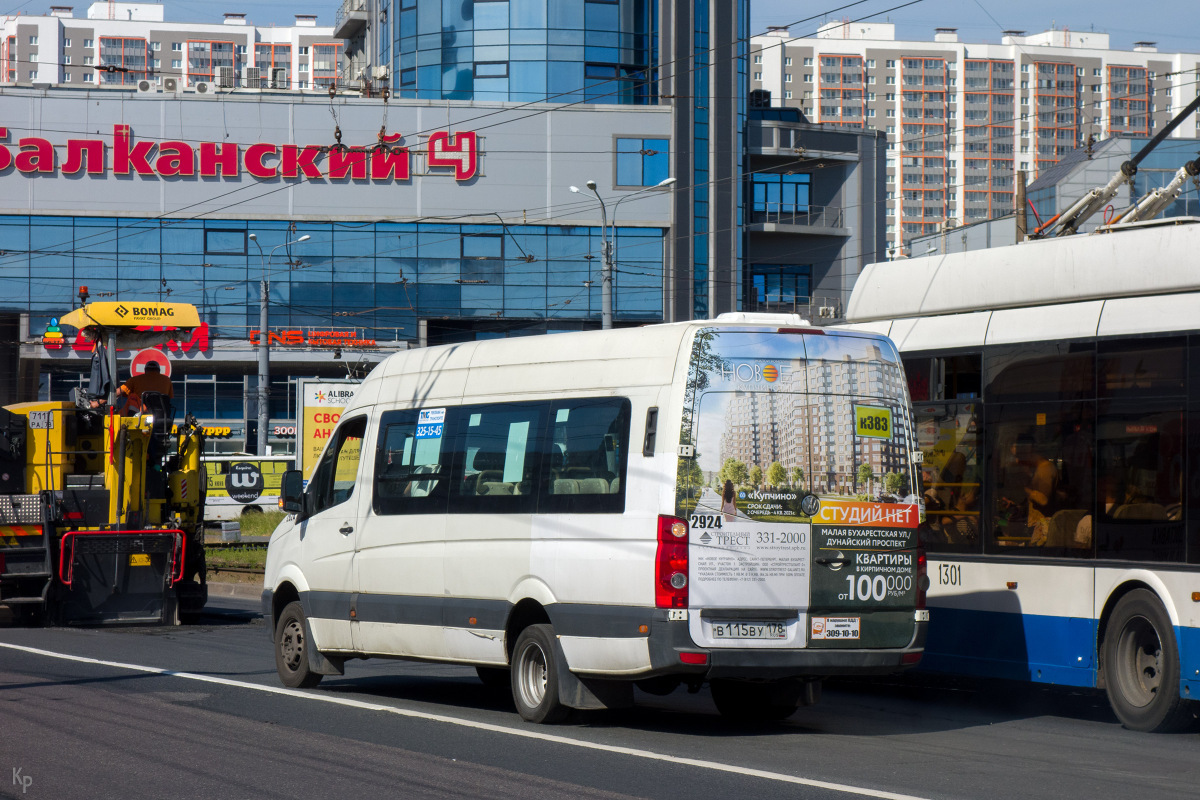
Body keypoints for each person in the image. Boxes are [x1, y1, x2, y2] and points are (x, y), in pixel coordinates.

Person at [92, 361, 173, 415]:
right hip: (162, 416)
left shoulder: (135, 380)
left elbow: (117, 393)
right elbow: (169, 398)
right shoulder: (167, 380)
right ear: (159, 371)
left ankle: (124, 418)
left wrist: (98, 402)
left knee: (132, 396)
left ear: (145, 370)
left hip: (141, 416)